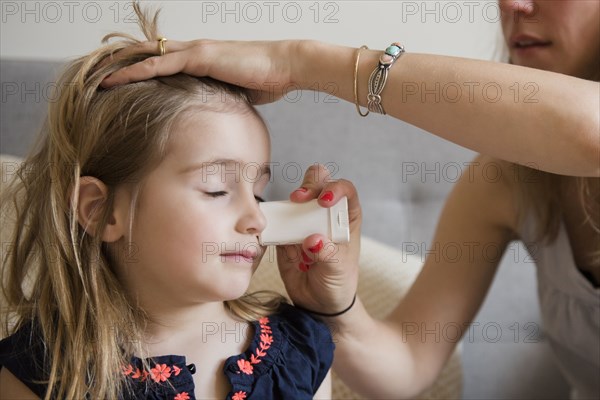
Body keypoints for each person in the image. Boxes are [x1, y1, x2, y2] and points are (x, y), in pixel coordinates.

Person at [102, 0, 599, 399]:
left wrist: (298, 60)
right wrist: (336, 308)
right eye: (215, 188)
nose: (513, 4)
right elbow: (406, 366)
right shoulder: (505, 179)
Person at [0, 4, 362, 399]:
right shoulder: (39, 371)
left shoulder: (300, 352)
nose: (255, 218)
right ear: (99, 211)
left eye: (258, 193)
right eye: (216, 190)